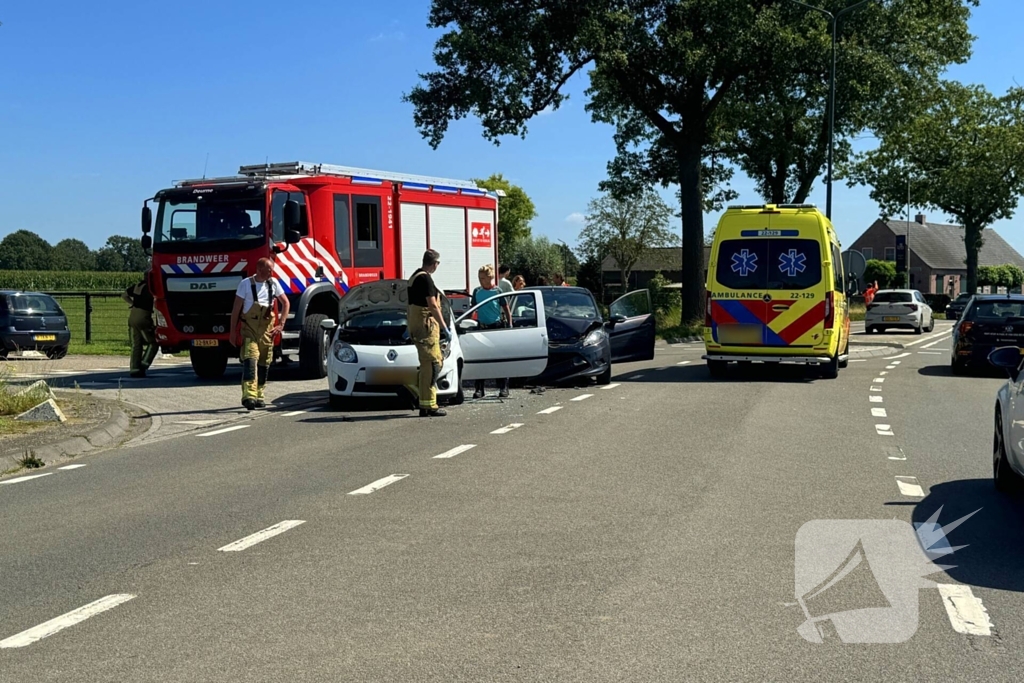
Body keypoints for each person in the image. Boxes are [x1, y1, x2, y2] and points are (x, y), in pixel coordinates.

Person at [229, 257, 289, 411]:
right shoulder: (245, 285)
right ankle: (249, 396)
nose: (272, 272)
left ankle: (259, 395)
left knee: (264, 363)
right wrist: (232, 333)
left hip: (267, 331)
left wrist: (281, 324)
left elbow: (285, 302)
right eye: (269, 269)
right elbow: (236, 310)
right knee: (250, 361)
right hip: (250, 329)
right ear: (260, 270)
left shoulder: (274, 283)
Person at [407, 249, 450, 417]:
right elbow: (432, 305)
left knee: (427, 366)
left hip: (417, 326)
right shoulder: (425, 279)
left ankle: (424, 401)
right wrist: (444, 326)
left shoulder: (414, 276)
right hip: (426, 328)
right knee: (433, 365)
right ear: (435, 264)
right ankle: (429, 405)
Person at [470, 264, 511, 399]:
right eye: (479, 278)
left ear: (491, 278)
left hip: (496, 327)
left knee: (499, 358)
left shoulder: (497, 291)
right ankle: (479, 389)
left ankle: (503, 387)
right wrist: (469, 325)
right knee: (480, 358)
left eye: (483, 278)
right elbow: (473, 310)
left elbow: (506, 309)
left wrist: (510, 325)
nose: (481, 280)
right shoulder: (477, 292)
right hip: (482, 328)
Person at [122, 272, 158, 378]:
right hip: (143, 317)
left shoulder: (138, 286)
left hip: (132, 316)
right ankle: (143, 365)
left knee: (136, 344)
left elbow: (124, 295)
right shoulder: (151, 288)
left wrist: (132, 303)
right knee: (153, 343)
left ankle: (134, 369)